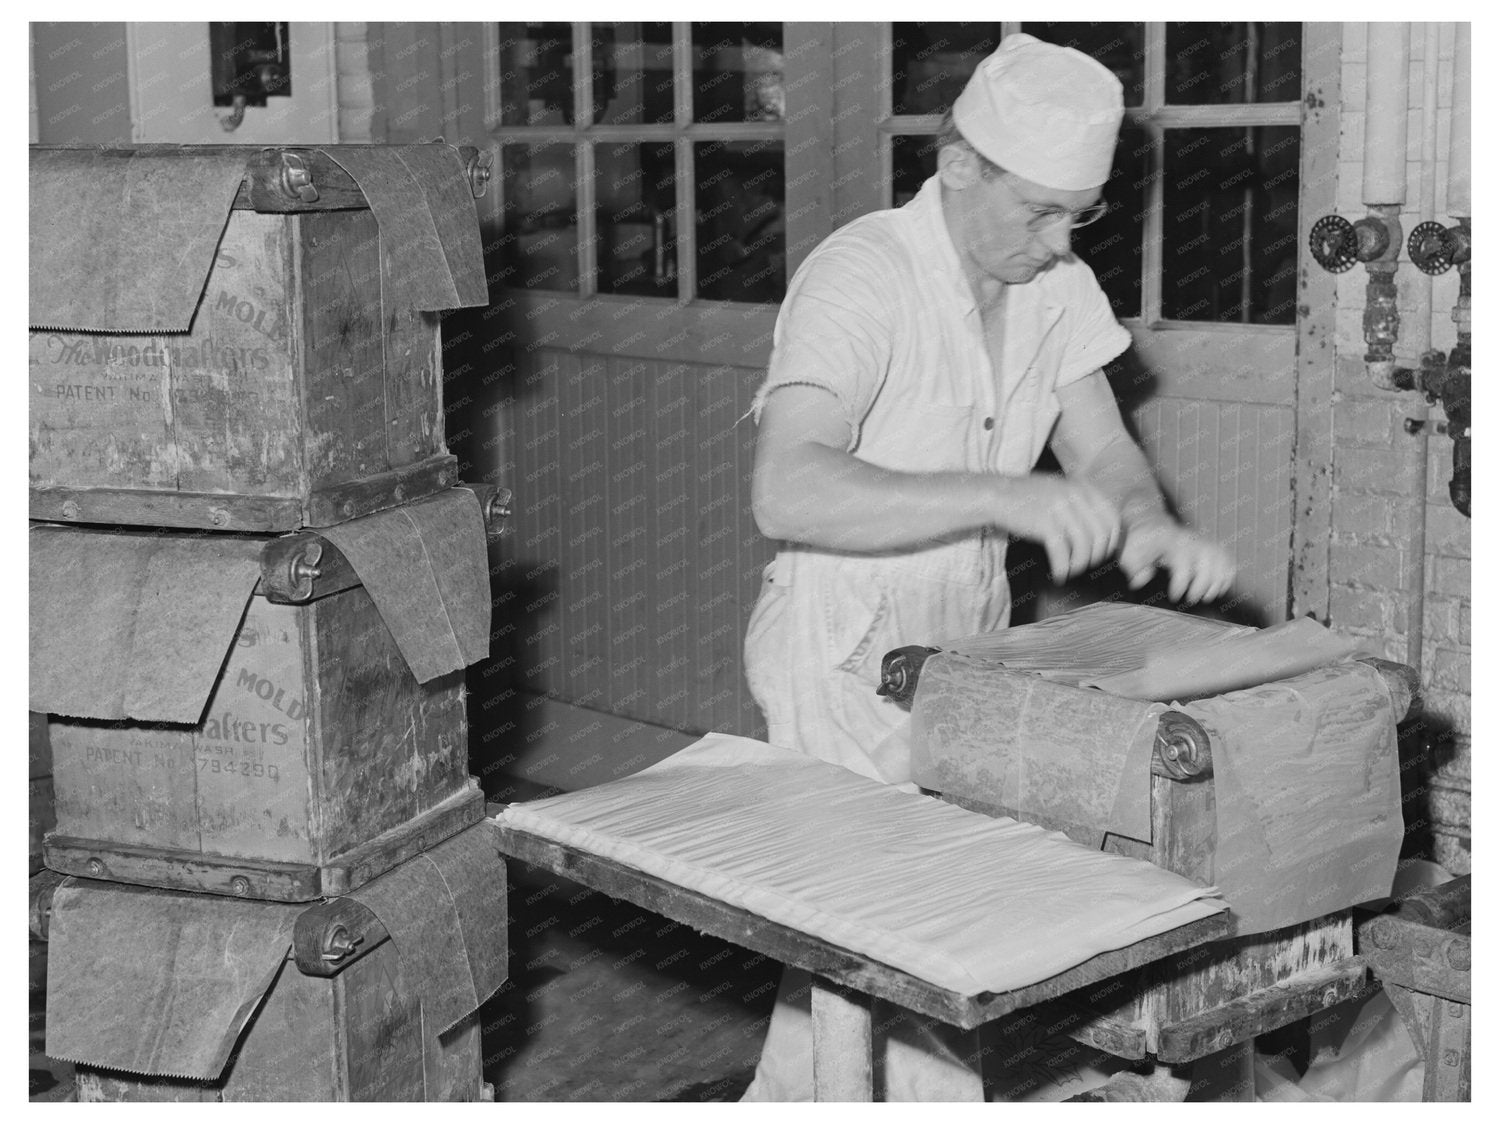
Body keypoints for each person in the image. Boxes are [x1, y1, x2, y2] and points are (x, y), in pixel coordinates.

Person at [739, 33, 1237, 1101]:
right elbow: (787, 487)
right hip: (843, 633)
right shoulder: (862, 272)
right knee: (901, 922)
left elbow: (1102, 449)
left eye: (1082, 214)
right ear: (959, 165)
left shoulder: (1054, 282)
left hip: (963, 627)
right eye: (1040, 211)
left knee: (881, 929)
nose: (1061, 241)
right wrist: (1005, 494)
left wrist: (1146, 519)